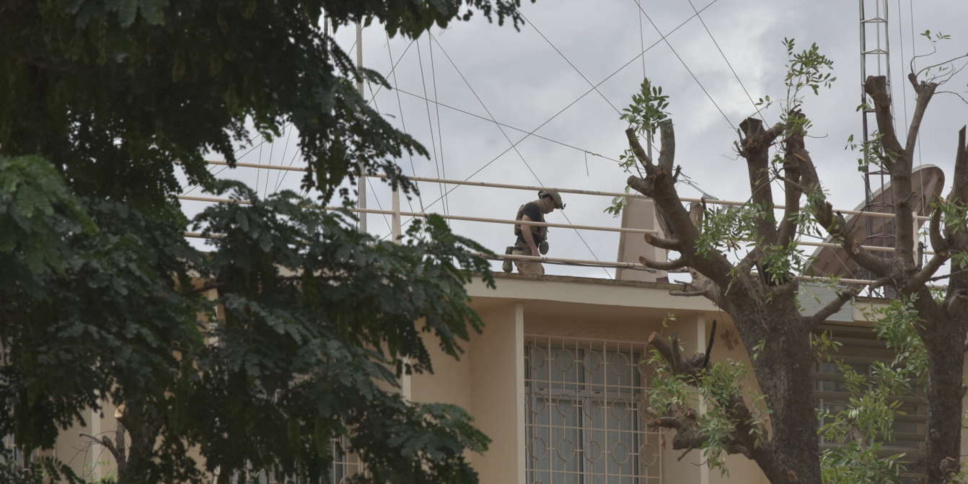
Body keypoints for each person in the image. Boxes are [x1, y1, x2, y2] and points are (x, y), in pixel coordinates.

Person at [503, 190, 565, 275]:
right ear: (547, 200)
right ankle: (512, 253)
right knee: (536, 278)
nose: (552, 210)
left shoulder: (537, 211)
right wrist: (534, 249)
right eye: (553, 206)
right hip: (525, 252)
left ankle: (511, 253)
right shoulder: (533, 208)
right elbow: (524, 227)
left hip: (527, 252)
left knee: (540, 272)